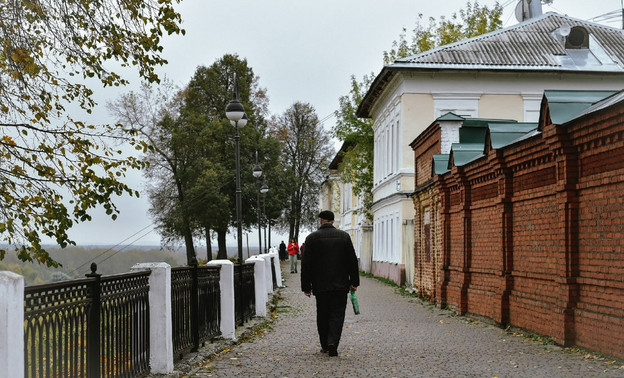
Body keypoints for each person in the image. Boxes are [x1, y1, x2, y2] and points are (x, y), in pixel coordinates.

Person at [301, 210, 359, 357]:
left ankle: (325, 345)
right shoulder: (344, 237)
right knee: (337, 315)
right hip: (340, 285)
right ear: (332, 221)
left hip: (320, 286)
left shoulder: (311, 238)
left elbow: (306, 265)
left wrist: (306, 287)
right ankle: (333, 342)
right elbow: (352, 261)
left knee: (323, 315)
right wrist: (354, 282)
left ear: (321, 220)